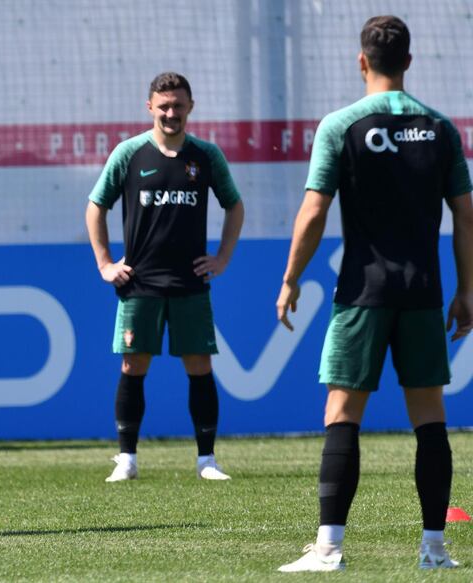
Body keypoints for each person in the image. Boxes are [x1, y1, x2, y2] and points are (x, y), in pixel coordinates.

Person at [276, 16, 473, 572]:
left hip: (362, 292)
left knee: (342, 412)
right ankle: (435, 550)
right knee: (430, 418)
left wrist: (291, 278)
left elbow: (314, 211)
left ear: (361, 61)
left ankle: (330, 549)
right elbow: (465, 216)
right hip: (423, 294)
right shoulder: (440, 128)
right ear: (408, 63)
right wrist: (467, 290)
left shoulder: (341, 126)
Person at [86, 72, 245, 483]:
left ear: (191, 106)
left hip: (190, 283)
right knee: (133, 366)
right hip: (139, 284)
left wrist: (223, 257)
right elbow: (95, 206)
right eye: (164, 106)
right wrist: (105, 263)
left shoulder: (206, 156)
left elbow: (234, 205)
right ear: (150, 108)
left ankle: (206, 460)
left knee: (199, 367)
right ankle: (127, 459)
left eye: (178, 105)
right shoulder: (130, 153)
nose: (171, 113)